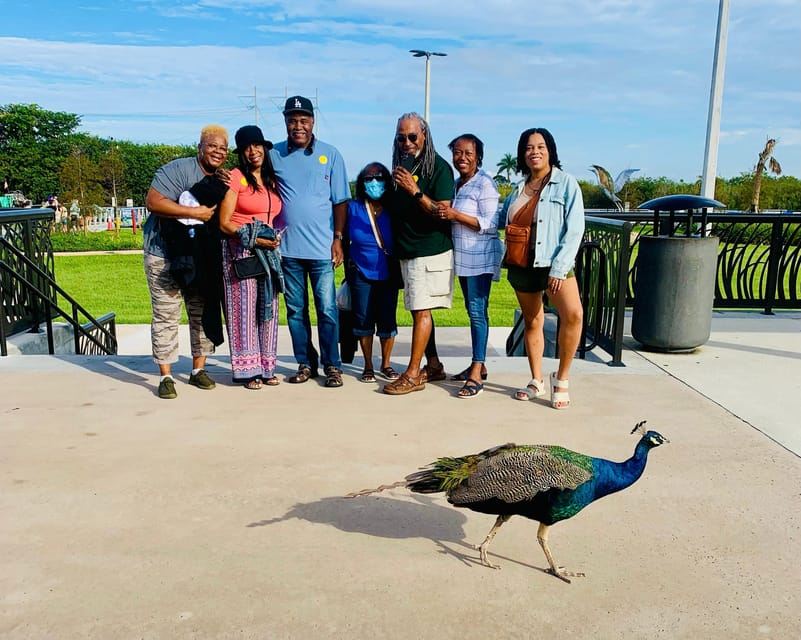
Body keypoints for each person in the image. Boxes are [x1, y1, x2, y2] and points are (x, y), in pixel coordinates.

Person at [499, 127, 584, 409]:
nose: (534, 152)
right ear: (522, 155)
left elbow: (575, 229)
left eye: (540, 147)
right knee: (532, 320)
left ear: (550, 151)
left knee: (573, 314)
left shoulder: (566, 183)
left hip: (553, 263)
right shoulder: (517, 189)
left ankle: (562, 378)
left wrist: (559, 268)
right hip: (523, 264)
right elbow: (500, 220)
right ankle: (536, 380)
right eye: (528, 148)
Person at [269, 96, 350, 388]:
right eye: (292, 120)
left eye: (303, 120)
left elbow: (340, 201)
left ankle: (332, 365)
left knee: (327, 310)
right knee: (295, 312)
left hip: (321, 251)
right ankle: (305, 362)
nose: (298, 126)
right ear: (286, 123)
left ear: (313, 121)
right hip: (288, 251)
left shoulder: (331, 154)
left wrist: (338, 239)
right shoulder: (273, 155)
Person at [143, 125, 229, 399]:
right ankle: (166, 375)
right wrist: (195, 212)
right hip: (163, 253)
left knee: (200, 312)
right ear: (200, 147)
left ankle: (198, 370)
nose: (218, 152)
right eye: (213, 146)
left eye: (223, 148)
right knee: (166, 315)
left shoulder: (221, 179)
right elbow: (153, 202)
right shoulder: (177, 170)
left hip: (200, 257)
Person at [382, 112, 454, 396]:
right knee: (418, 310)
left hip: (429, 251)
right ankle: (433, 365)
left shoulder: (438, 168)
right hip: (407, 252)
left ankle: (413, 374)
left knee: (421, 311)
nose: (407, 142)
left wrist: (414, 191)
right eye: (401, 137)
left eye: (412, 136)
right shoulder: (401, 165)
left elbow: (442, 211)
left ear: (424, 135)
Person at [435, 134, 502, 399]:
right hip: (462, 260)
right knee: (472, 310)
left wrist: (455, 215)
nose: (462, 158)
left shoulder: (485, 184)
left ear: (478, 157)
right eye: (457, 153)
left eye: (468, 153)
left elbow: (489, 224)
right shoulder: (456, 185)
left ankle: (476, 371)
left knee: (477, 312)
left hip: (480, 258)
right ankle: (480, 363)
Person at [218, 125, 283, 390]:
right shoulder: (236, 178)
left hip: (268, 253)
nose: (252, 151)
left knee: (268, 309)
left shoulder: (272, 181)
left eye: (256, 145)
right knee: (243, 311)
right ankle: (248, 371)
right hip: (241, 250)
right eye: (246, 147)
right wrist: (254, 238)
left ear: (265, 148)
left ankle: (266, 367)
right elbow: (223, 222)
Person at [344, 163, 400, 383]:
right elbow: (341, 235)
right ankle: (367, 365)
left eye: (378, 177)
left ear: (387, 180)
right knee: (363, 319)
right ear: (361, 182)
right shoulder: (353, 208)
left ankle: (386, 364)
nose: (374, 182)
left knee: (387, 320)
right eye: (368, 179)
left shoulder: (394, 208)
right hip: (360, 271)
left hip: (388, 272)